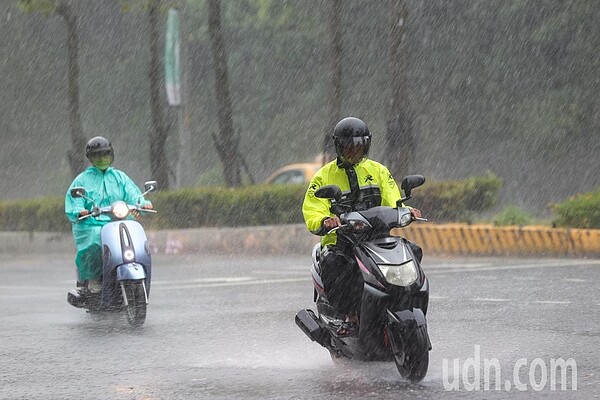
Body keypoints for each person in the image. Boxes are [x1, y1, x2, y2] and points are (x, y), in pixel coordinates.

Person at [302, 117, 422, 337]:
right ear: (339, 146)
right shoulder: (323, 177)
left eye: (359, 147)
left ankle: (405, 302)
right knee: (336, 264)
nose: (353, 152)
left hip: (376, 237)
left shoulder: (378, 171)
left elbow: (393, 199)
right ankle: (349, 316)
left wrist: (406, 211)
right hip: (342, 241)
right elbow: (313, 208)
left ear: (366, 145)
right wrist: (324, 221)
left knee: (413, 251)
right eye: (348, 147)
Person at [64, 136, 153, 293]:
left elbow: (133, 194)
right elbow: (74, 201)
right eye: (98, 155)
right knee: (95, 242)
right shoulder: (82, 180)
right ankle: (93, 278)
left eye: (105, 154)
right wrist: (80, 211)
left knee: (137, 239)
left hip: (119, 220)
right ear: (91, 158)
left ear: (111, 155)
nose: (102, 158)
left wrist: (142, 202)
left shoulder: (120, 177)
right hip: (92, 223)